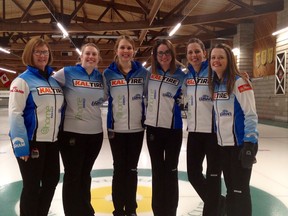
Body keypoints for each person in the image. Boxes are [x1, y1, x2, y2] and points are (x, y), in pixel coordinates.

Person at [8, 37, 64, 216]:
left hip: (52, 142)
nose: (42, 55)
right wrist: (21, 146)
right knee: (32, 186)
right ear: (29, 54)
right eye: (38, 52)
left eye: (45, 52)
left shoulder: (54, 81)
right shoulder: (22, 81)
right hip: (32, 142)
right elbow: (15, 114)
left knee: (51, 180)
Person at [52, 43, 105, 216]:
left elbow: (104, 97)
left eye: (94, 54)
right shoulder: (66, 73)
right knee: (73, 175)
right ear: (80, 56)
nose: (91, 57)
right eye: (87, 53)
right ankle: (72, 212)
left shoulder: (100, 78)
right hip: (71, 134)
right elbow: (48, 83)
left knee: (85, 174)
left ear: (98, 58)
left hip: (95, 134)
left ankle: (85, 210)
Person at [207, 43, 258, 216]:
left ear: (229, 59)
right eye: (213, 57)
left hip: (241, 146)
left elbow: (251, 114)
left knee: (240, 191)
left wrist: (250, 144)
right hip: (224, 146)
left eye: (221, 57)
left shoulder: (239, 81)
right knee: (230, 190)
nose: (216, 60)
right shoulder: (215, 83)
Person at [102, 35, 149, 216]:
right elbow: (101, 96)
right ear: (116, 51)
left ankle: (131, 209)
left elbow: (150, 95)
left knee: (132, 169)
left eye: (129, 48)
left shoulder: (143, 73)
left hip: (137, 129)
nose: (126, 51)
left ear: (134, 51)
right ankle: (118, 210)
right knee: (119, 169)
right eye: (122, 48)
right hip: (116, 129)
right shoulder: (108, 74)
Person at [144, 39, 186, 216]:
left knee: (171, 170)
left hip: (173, 130)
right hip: (153, 129)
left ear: (172, 54)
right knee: (157, 171)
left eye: (167, 52)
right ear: (155, 55)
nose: (163, 56)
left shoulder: (181, 76)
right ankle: (158, 210)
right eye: (160, 53)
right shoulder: (148, 73)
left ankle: (171, 210)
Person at [182, 38, 222, 216]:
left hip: (213, 134)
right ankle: (220, 204)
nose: (194, 55)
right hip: (195, 133)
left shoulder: (214, 72)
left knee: (213, 178)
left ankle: (212, 211)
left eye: (197, 51)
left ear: (204, 53)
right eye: (190, 52)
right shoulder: (187, 76)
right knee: (193, 175)